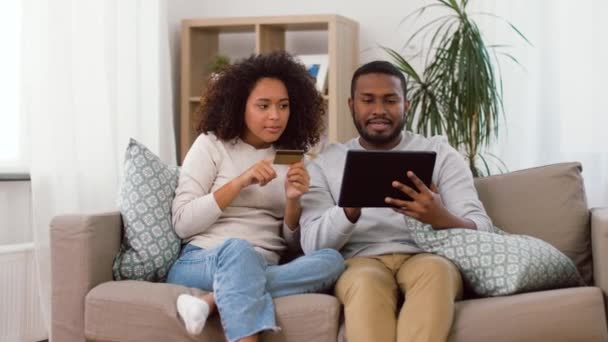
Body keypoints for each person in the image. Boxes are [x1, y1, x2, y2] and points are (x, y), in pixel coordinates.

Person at [299, 60, 494, 342]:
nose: (379, 110)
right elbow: (312, 246)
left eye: (390, 100)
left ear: (407, 104)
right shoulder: (326, 163)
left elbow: (483, 229)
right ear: (352, 105)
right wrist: (349, 210)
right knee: (365, 283)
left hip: (427, 256)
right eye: (368, 100)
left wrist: (439, 216)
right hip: (360, 261)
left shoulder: (440, 154)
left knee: (436, 271)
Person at [167, 51, 344, 342]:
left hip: (265, 262)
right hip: (204, 259)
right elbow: (183, 223)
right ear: (240, 106)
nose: (275, 116)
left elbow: (293, 246)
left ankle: (211, 300)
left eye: (283, 106)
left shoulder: (294, 158)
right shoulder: (211, 146)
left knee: (332, 260)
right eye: (263, 106)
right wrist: (239, 182)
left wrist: (292, 201)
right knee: (239, 250)